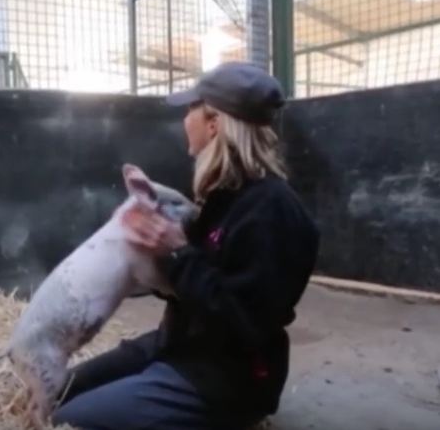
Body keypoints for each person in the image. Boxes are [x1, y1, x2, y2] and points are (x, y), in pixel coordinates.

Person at [50, 61, 320, 430]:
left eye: (193, 108)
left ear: (214, 123)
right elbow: (187, 286)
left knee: (71, 422)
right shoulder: (224, 195)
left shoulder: (271, 210)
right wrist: (145, 246)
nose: (185, 119)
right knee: (56, 393)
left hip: (226, 375)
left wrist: (178, 252)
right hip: (180, 344)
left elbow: (245, 322)